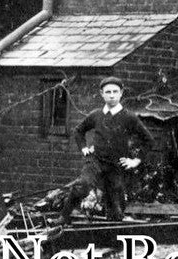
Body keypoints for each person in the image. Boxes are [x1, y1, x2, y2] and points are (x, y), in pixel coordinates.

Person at [59, 76, 154, 224]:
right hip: (95, 161)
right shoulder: (96, 115)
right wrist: (84, 148)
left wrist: (135, 160)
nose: (111, 95)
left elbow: (148, 140)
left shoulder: (129, 117)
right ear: (101, 94)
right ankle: (63, 217)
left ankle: (113, 237)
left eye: (115, 91)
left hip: (116, 165)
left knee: (116, 208)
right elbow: (78, 130)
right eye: (108, 92)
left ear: (121, 93)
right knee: (82, 186)